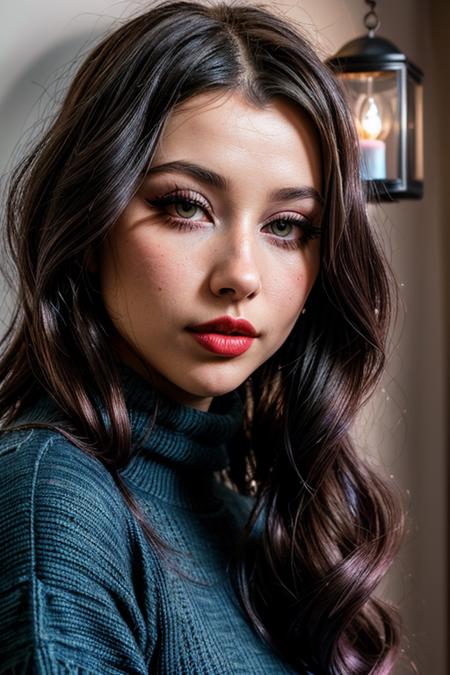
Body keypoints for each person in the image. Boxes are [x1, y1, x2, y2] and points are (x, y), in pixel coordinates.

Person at [0, 1, 407, 673]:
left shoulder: (258, 528)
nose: (240, 275)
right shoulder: (55, 505)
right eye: (185, 206)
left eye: (287, 225)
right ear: (89, 222)